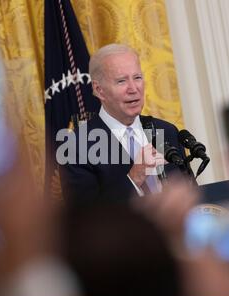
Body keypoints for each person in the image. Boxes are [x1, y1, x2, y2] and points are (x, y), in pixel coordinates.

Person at [59, 44, 189, 208]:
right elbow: (86, 220)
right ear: (99, 90)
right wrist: (133, 179)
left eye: (137, 78)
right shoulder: (76, 147)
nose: (133, 89)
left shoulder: (167, 131)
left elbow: (188, 191)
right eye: (121, 81)